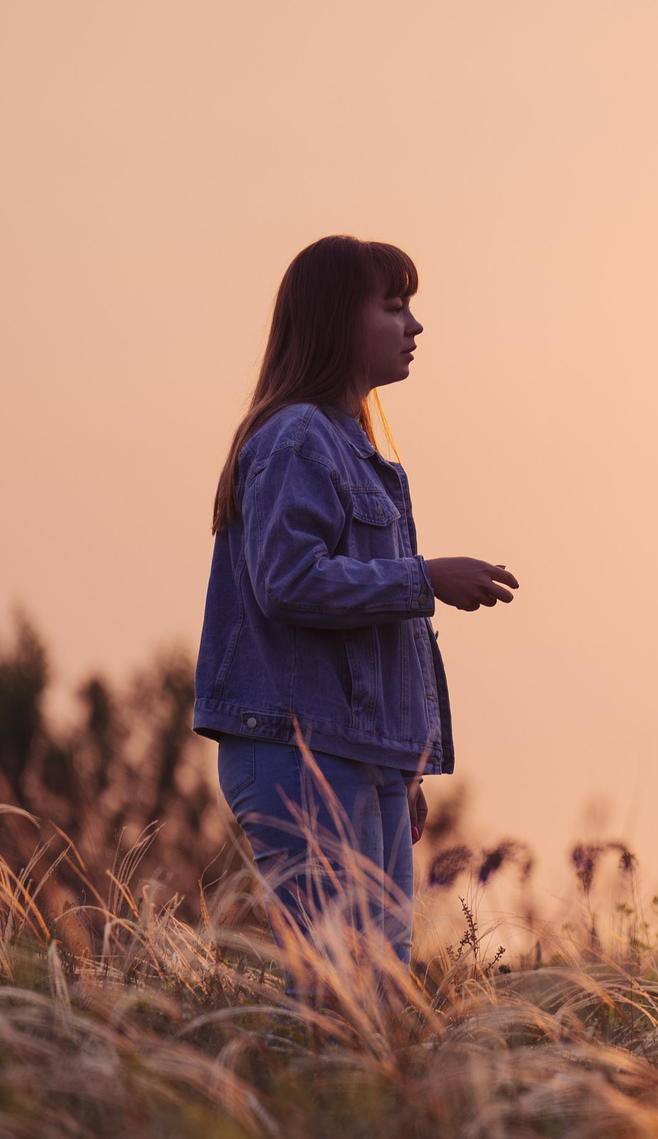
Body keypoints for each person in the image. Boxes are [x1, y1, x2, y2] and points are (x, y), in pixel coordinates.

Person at [193, 235, 519, 975]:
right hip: (300, 748)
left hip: (355, 750)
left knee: (374, 985)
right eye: (393, 307)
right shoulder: (297, 440)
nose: (414, 326)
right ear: (338, 321)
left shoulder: (356, 452)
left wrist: (402, 768)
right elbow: (288, 581)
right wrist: (425, 578)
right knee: (333, 982)